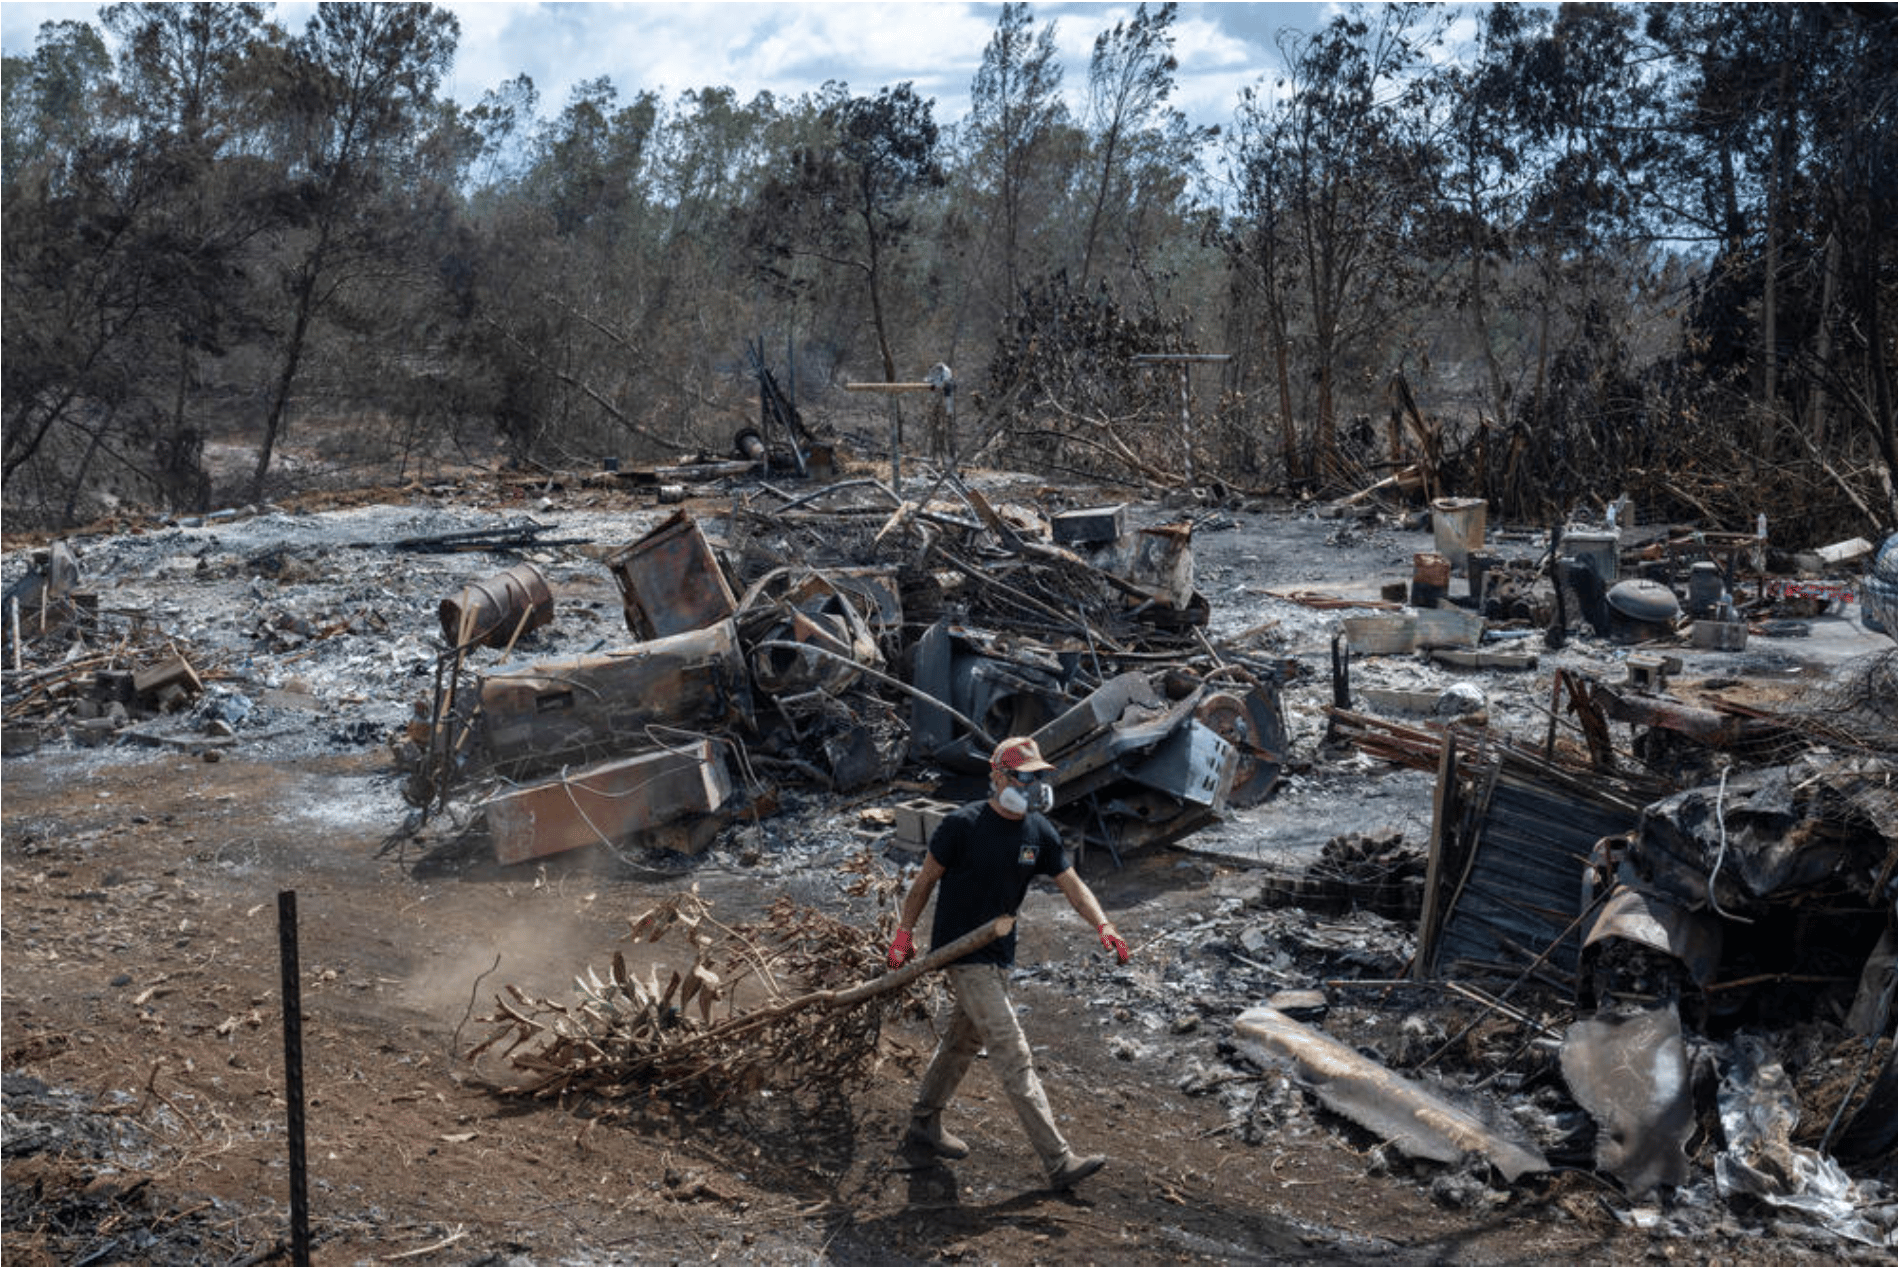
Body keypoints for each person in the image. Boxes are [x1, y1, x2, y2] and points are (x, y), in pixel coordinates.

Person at [885, 735, 1131, 1191]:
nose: (1036, 786)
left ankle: (924, 1122)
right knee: (1011, 1051)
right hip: (961, 956)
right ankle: (1059, 1161)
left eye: (1040, 777)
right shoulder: (961, 826)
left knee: (962, 1041)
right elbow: (922, 884)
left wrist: (1105, 927)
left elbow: (1074, 887)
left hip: (999, 957)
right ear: (997, 777)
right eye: (1026, 777)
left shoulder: (1039, 833)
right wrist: (903, 937)